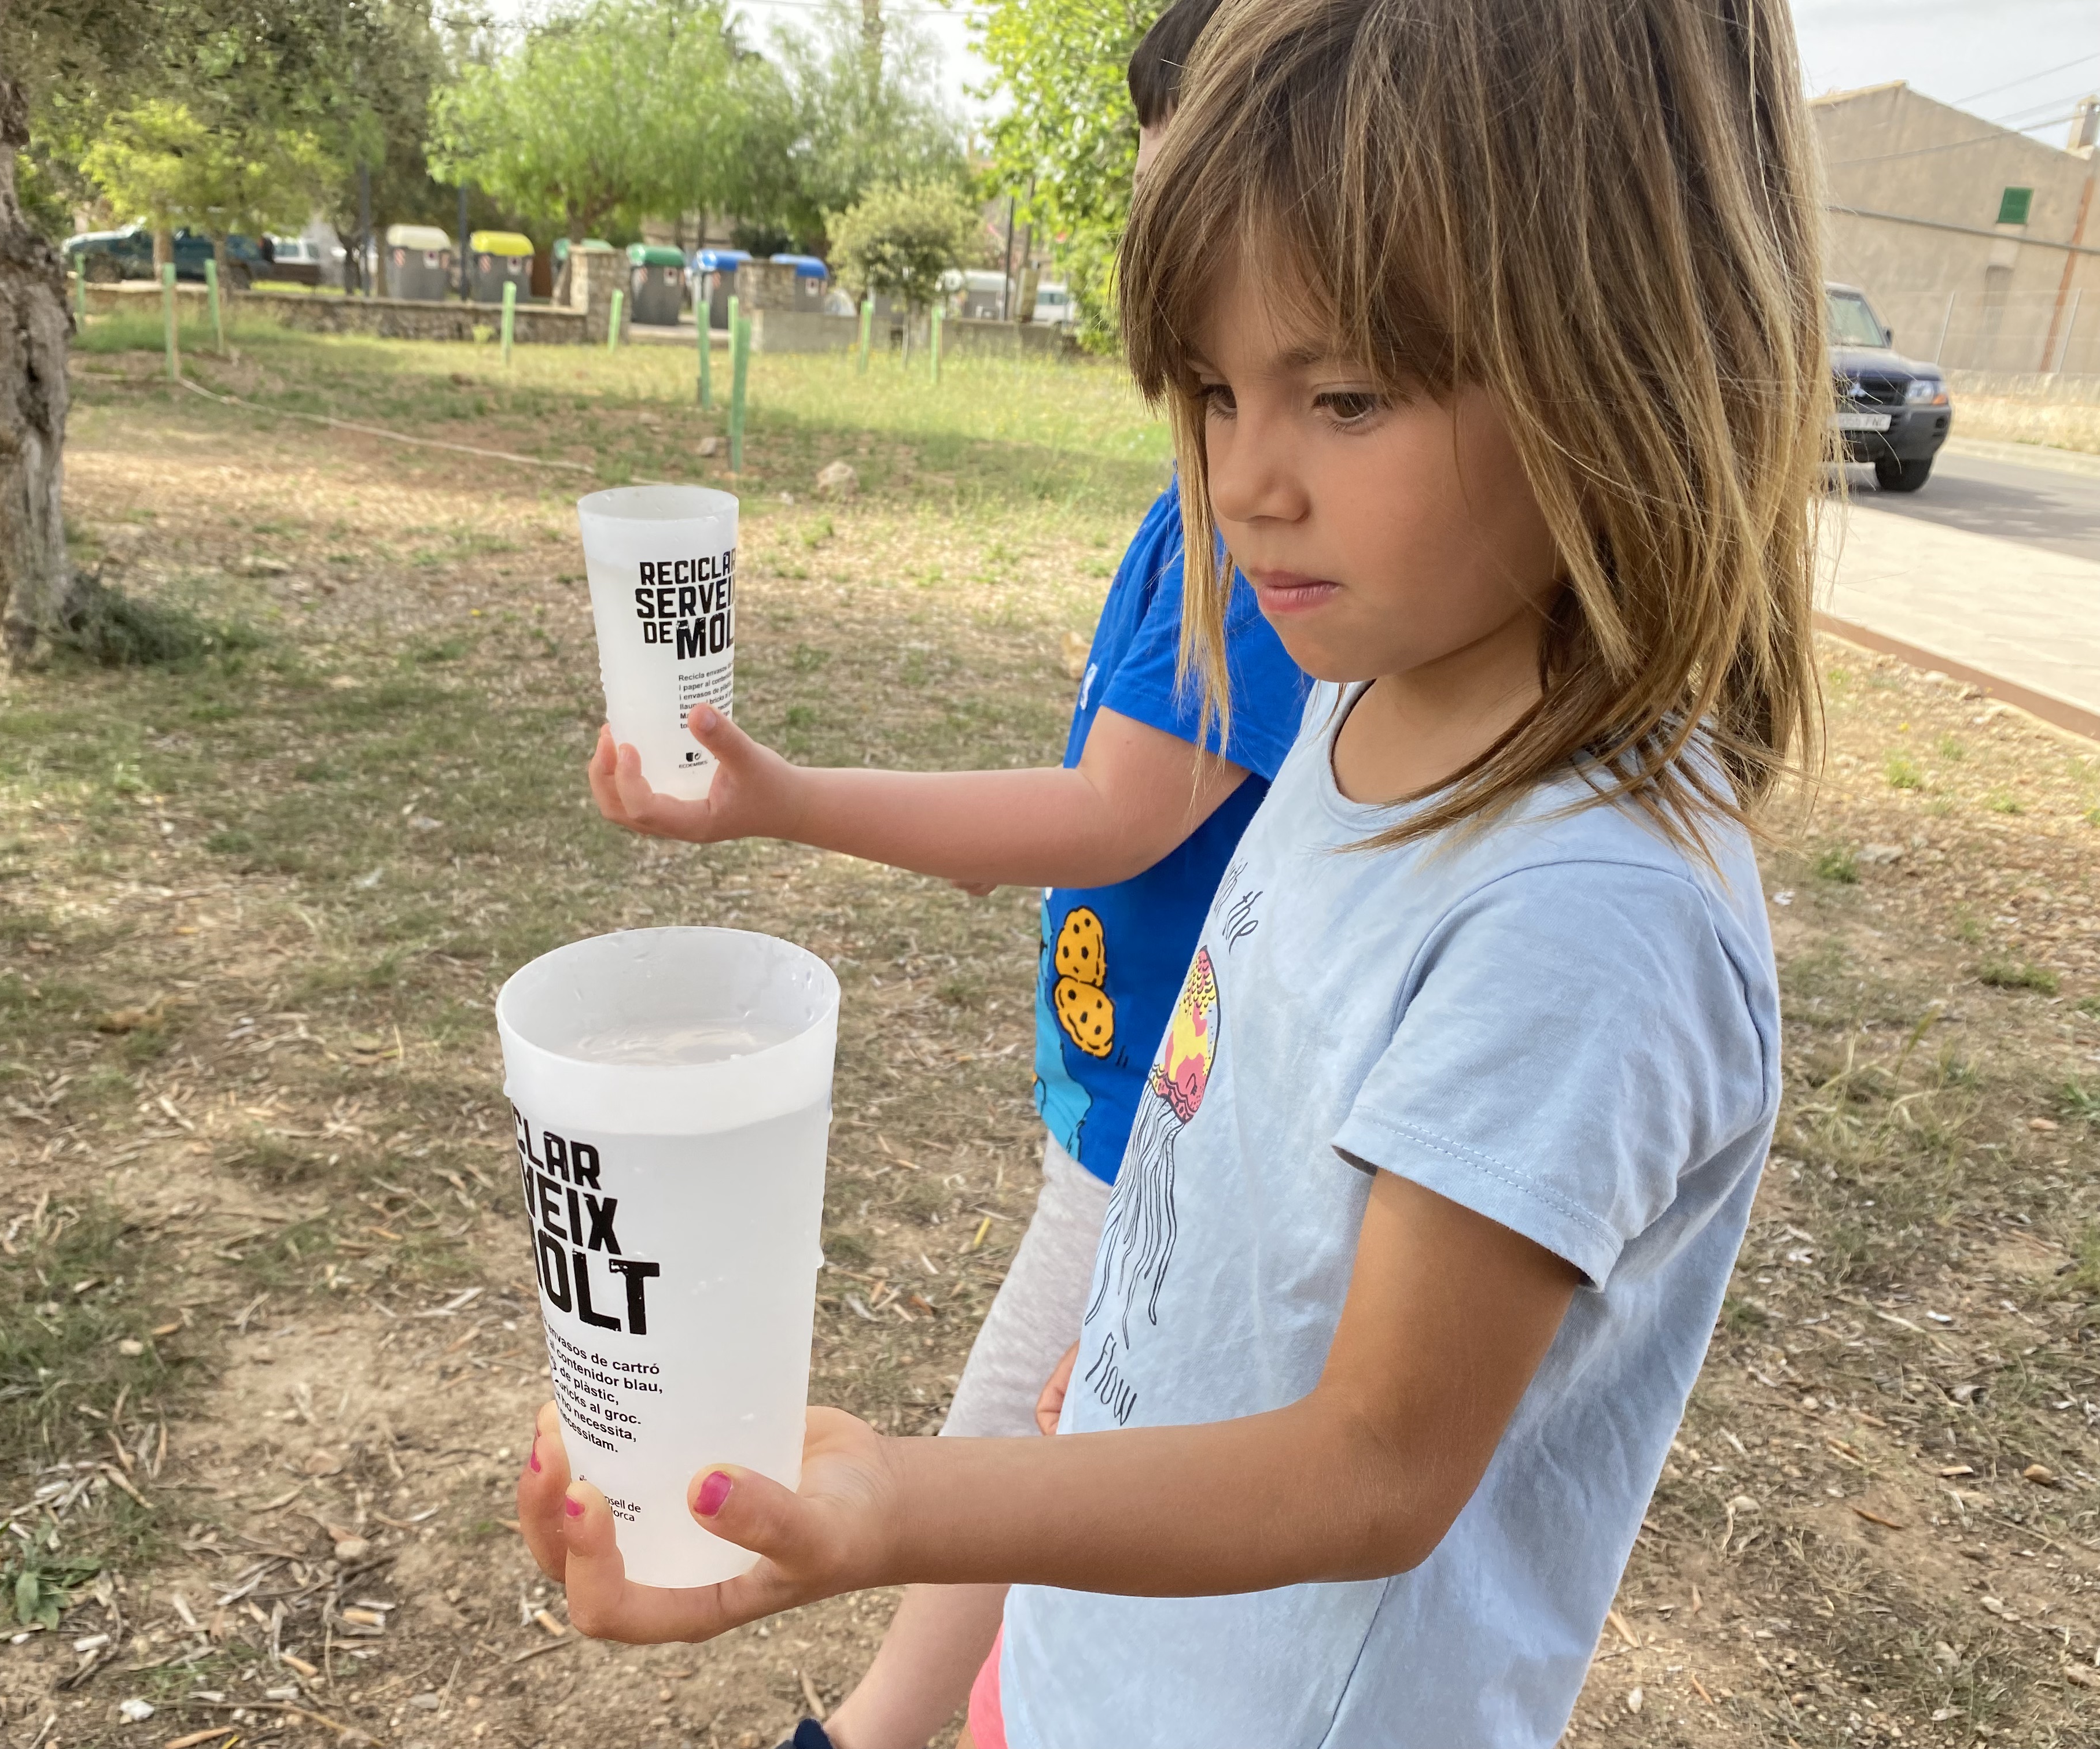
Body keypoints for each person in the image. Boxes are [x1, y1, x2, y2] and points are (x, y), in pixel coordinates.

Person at [525, 0, 1826, 1741]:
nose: (1242, 481)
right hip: (1089, 1656)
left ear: (1629, 358)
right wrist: (1107, 1378)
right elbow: (1227, 1136)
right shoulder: (1369, 699)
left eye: (1344, 395)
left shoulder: (1589, 911)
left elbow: (1374, 1463)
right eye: (1215, 391)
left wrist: (895, 1505)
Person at [585, 5, 1295, 1743]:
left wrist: (787, 801)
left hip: (1173, 1114)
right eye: (1152, 212)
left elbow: (1113, 814)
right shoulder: (1200, 494)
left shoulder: (1271, 534)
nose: (1155, 260)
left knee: (1019, 1435)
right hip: (1126, 1088)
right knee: (1029, 1420)